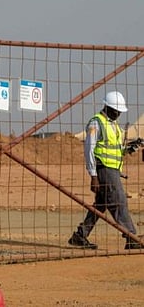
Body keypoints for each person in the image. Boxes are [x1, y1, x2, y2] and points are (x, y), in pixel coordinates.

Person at [68, 91, 144, 250]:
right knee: (118, 201)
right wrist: (93, 175)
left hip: (113, 170)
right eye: (116, 111)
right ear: (108, 107)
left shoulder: (114, 125)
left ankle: (80, 235)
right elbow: (89, 150)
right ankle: (131, 236)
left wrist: (129, 148)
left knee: (101, 205)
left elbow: (114, 149)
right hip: (103, 170)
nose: (118, 114)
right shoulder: (96, 123)